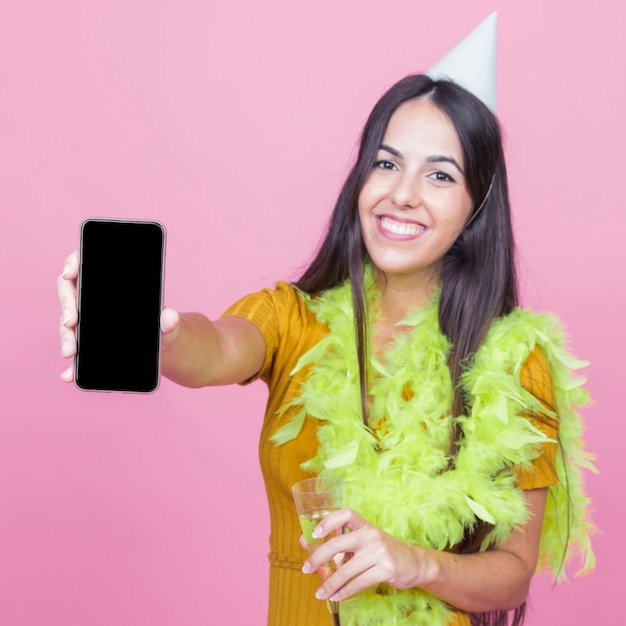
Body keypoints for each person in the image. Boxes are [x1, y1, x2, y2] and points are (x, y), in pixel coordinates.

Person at [58, 74, 595, 626]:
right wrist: (158, 332)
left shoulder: (513, 364)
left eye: (439, 174)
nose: (402, 193)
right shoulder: (294, 321)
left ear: (476, 204)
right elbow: (215, 347)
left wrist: (415, 563)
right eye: (386, 164)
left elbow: (512, 572)